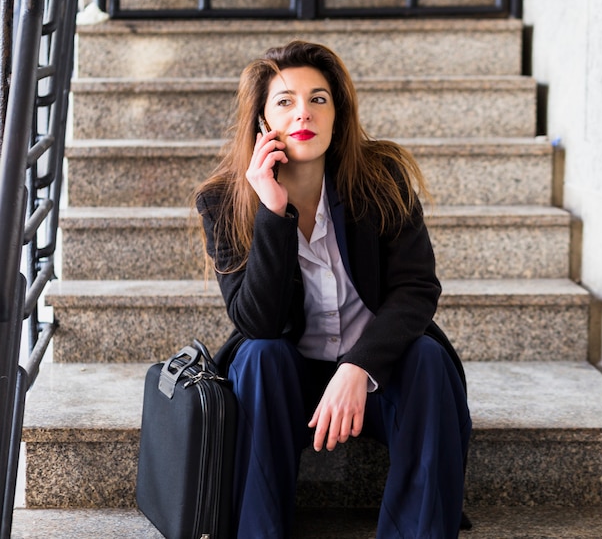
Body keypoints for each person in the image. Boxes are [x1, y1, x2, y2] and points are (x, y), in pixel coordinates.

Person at [195, 40, 472, 538]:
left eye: (319, 99)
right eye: (285, 101)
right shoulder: (224, 200)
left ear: (338, 114)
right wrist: (273, 214)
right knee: (258, 357)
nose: (304, 112)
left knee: (428, 359)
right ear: (262, 122)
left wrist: (359, 366)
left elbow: (416, 289)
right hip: (287, 386)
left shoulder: (379, 178)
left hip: (379, 375)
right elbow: (257, 321)